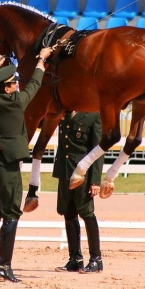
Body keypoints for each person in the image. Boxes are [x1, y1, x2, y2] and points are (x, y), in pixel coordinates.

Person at [0, 47, 52, 283]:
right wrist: (41, 59)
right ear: (7, 87)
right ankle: (3, 265)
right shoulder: (16, 102)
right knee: (11, 215)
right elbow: (35, 84)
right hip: (8, 165)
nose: (17, 86)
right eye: (14, 83)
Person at [53, 111, 104, 274]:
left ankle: (96, 259)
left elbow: (98, 149)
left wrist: (95, 180)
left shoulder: (93, 115)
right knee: (68, 213)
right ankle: (75, 258)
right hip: (65, 171)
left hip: (83, 173)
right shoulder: (63, 112)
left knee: (87, 213)